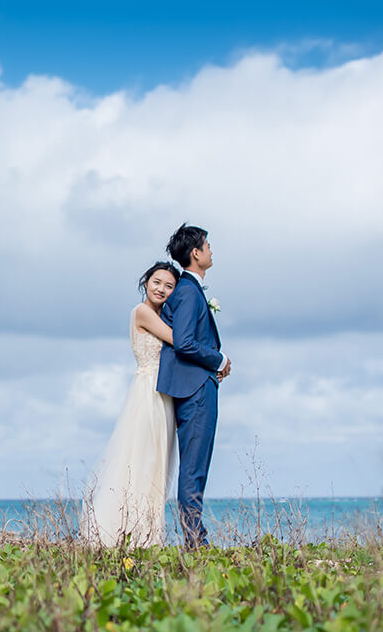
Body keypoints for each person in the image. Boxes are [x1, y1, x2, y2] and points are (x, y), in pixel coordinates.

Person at [81, 261, 182, 547]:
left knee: (156, 464)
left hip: (163, 394)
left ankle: (147, 534)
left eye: (169, 286)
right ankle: (126, 531)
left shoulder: (161, 314)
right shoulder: (142, 312)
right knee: (140, 460)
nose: (161, 289)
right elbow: (177, 341)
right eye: (156, 282)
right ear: (145, 282)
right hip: (147, 392)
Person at [156, 223, 231, 548]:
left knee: (194, 466)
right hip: (197, 391)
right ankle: (194, 542)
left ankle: (193, 538)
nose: (212, 250)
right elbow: (184, 343)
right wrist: (218, 359)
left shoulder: (188, 291)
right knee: (194, 468)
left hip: (195, 387)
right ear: (196, 253)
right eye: (208, 246)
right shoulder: (187, 291)